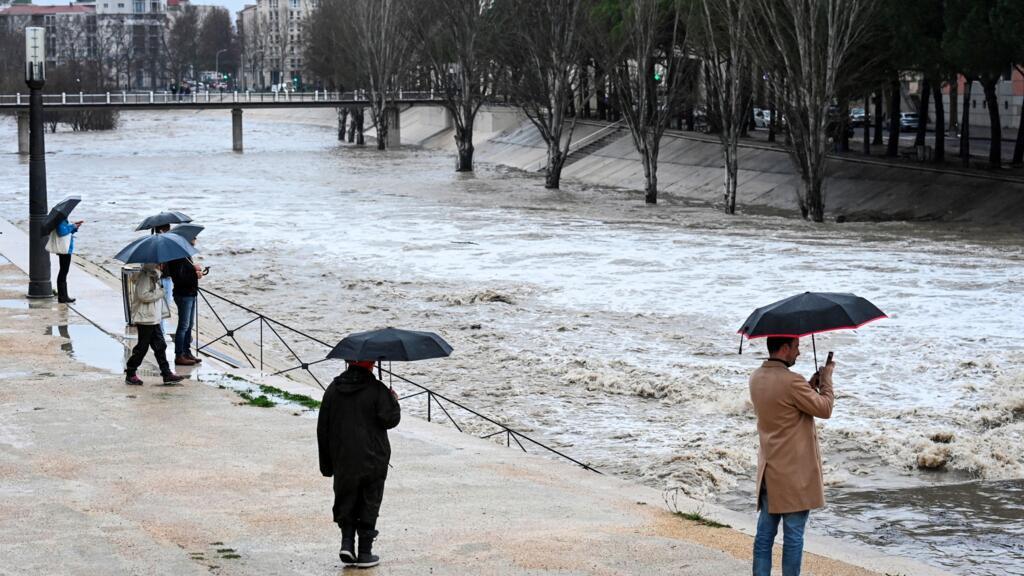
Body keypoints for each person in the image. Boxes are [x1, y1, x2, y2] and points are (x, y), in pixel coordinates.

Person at [748, 337, 834, 576]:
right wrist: (826, 381)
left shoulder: (756, 377)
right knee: (794, 536)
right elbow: (825, 409)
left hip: (769, 469)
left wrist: (808, 386)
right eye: (796, 347)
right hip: (794, 475)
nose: (799, 352)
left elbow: (782, 405)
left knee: (765, 535)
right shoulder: (792, 382)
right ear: (784, 348)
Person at [317, 360, 401, 569]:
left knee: (346, 497)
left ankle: (347, 543)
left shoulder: (333, 390)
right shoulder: (377, 390)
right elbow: (390, 420)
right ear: (371, 365)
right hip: (374, 458)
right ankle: (364, 552)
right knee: (369, 501)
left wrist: (326, 464)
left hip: (343, 457)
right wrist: (393, 400)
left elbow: (323, 428)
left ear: (348, 362)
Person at [124, 263, 185, 386]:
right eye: (160, 263)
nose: (162, 265)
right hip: (146, 318)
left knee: (160, 346)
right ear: (154, 264)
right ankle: (130, 373)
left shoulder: (153, 276)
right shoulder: (146, 276)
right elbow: (143, 295)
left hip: (153, 318)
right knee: (142, 348)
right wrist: (160, 293)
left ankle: (166, 373)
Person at [167, 242, 203, 366]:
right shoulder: (177, 258)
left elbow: (186, 274)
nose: (195, 239)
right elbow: (179, 278)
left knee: (189, 324)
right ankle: (179, 355)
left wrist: (195, 271)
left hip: (190, 293)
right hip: (183, 295)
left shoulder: (186, 256)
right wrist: (195, 273)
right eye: (193, 238)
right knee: (183, 325)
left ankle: (187, 352)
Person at [45, 217, 82, 303]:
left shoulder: (63, 220)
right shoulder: (60, 220)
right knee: (63, 272)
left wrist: (75, 227)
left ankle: (63, 296)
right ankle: (63, 297)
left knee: (63, 272)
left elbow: (67, 232)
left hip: (66, 249)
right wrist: (73, 226)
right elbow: (61, 232)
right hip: (64, 250)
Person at [151, 224, 174, 337]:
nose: (170, 231)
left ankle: (160, 332)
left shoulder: (152, 243)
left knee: (160, 308)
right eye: (168, 229)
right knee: (163, 308)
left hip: (162, 279)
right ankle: (160, 333)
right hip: (163, 279)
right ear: (162, 230)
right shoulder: (162, 244)